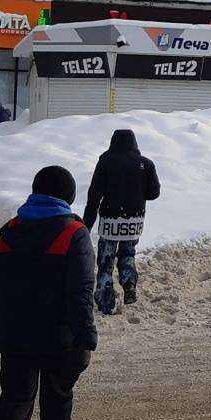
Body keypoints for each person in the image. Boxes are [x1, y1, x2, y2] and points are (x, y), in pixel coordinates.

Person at [0, 164, 98, 420]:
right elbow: (81, 294)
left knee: (15, 400)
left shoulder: (9, 232)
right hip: (59, 337)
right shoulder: (74, 233)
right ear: (68, 196)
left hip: (16, 335)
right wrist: (86, 339)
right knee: (58, 396)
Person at [83, 127, 161, 313]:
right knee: (128, 254)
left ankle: (105, 301)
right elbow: (154, 193)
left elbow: (94, 195)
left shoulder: (105, 161)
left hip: (110, 219)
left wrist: (86, 224)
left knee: (106, 260)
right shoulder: (146, 164)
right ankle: (129, 284)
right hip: (135, 219)